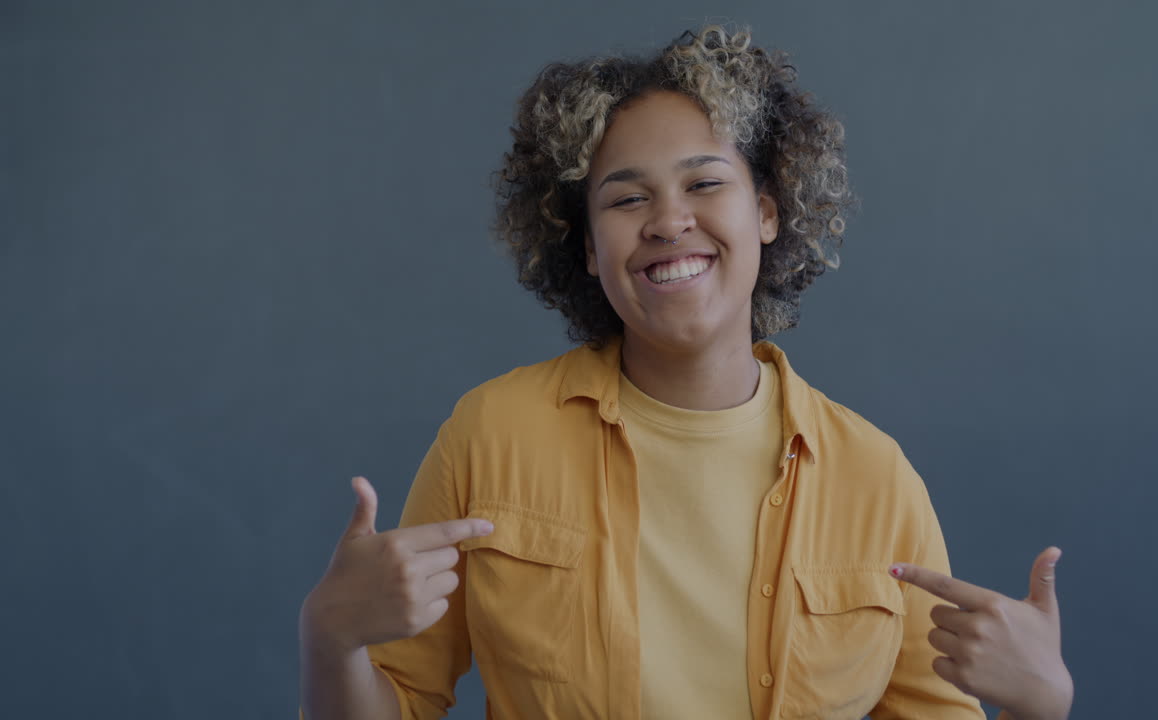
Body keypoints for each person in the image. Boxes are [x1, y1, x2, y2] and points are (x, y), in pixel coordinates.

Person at [299, 26, 1073, 720]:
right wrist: (330, 638)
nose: (669, 220)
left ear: (767, 213)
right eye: (627, 197)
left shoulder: (878, 480)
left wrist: (1042, 707)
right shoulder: (490, 435)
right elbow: (395, 704)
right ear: (588, 249)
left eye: (705, 184)